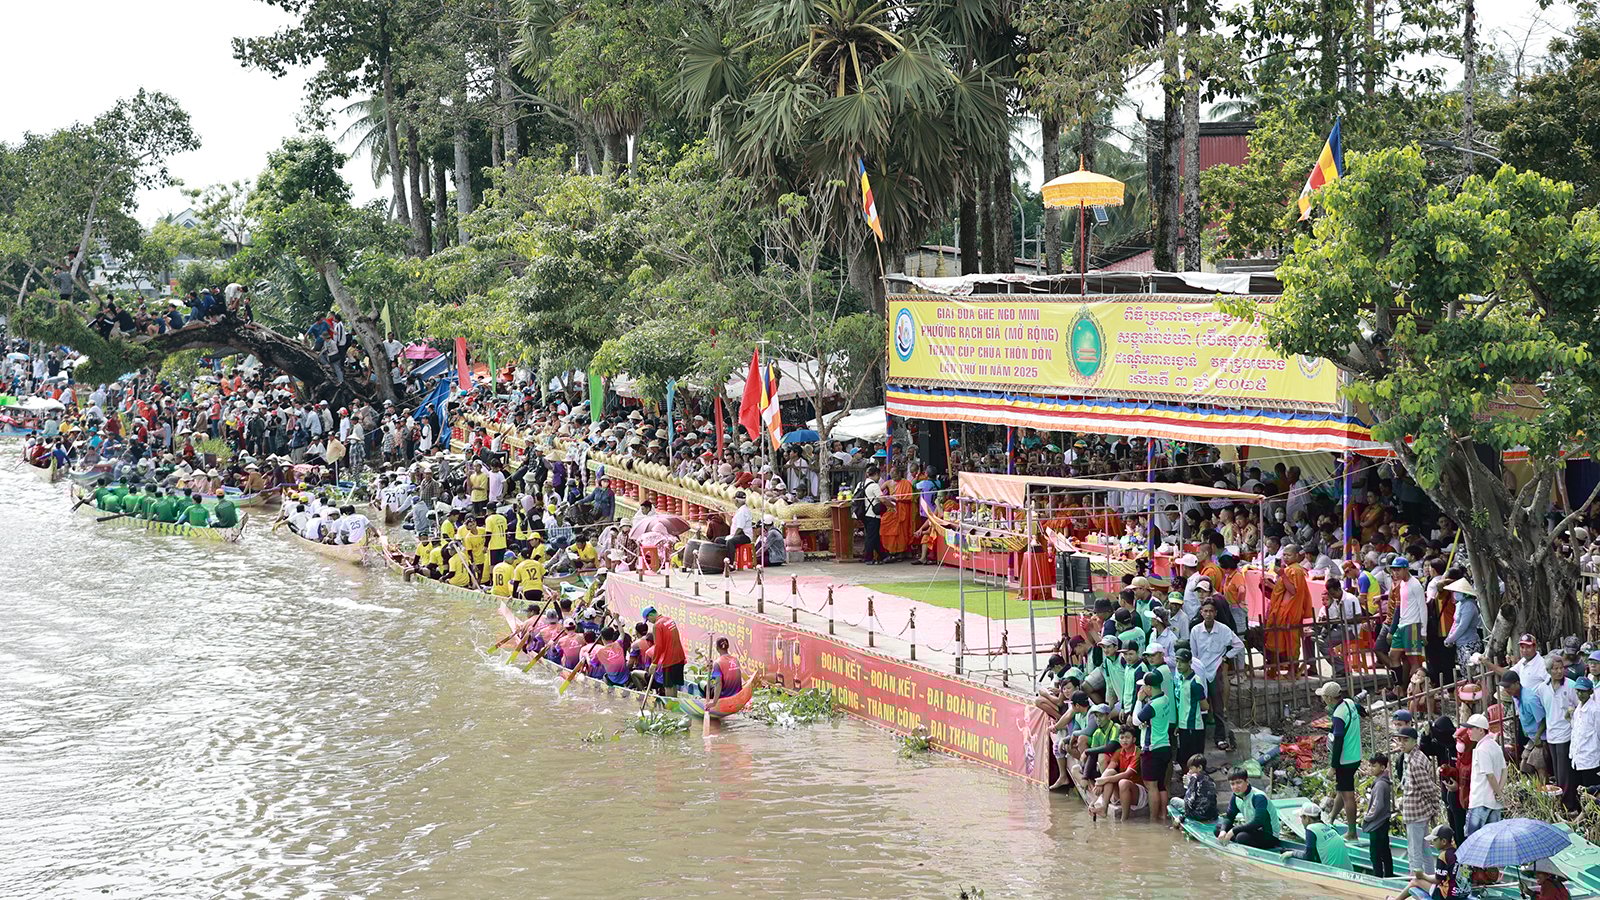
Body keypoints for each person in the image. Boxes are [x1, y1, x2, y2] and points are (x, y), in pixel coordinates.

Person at [1190, 599, 1244, 752]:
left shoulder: (1224, 630)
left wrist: (1226, 657)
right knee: (1201, 707)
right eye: (1205, 611)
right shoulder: (1195, 630)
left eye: (1211, 611)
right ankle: (1200, 739)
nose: (1208, 614)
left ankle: (1220, 738)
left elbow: (1239, 645)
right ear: (1201, 613)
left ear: (1215, 613)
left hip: (1215, 670)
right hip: (1200, 672)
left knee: (1218, 706)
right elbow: (1194, 654)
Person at [1321, 680, 1363, 840]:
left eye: (1324, 697)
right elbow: (1359, 709)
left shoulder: (1338, 715)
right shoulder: (1349, 703)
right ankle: (1331, 818)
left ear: (1330, 698)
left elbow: (1338, 741)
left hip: (1345, 759)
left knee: (1348, 795)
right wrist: (1365, 712)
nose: (1323, 700)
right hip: (1356, 755)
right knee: (1342, 788)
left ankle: (1352, 833)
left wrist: (1333, 766)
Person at [1398, 724, 1441, 883]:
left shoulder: (1415, 762)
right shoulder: (1415, 756)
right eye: (1400, 740)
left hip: (1416, 813)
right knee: (1425, 850)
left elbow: (1430, 789)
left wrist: (1434, 809)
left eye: (1405, 740)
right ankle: (1430, 879)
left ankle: (1415, 883)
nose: (1402, 743)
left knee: (1415, 851)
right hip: (1419, 811)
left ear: (1414, 741)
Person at [1537, 654, 1580, 810]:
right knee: (1557, 770)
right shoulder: (1542, 688)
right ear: (1549, 670)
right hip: (1551, 734)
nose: (1559, 671)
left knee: (1565, 773)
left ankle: (1569, 805)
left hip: (1566, 733)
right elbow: (1545, 710)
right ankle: (1562, 801)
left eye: (1561, 668)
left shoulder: (1571, 685)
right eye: (1555, 669)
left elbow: (1578, 708)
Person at [1265, 543, 1313, 677]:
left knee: (1291, 641)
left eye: (1289, 555)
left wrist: (1283, 575)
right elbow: (1283, 589)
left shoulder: (1295, 570)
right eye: (1284, 554)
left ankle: (1292, 671)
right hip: (1281, 610)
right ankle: (1275, 669)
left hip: (1289, 611)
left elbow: (1293, 591)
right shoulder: (1288, 569)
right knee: (1277, 640)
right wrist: (1270, 584)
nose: (1285, 557)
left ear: (1297, 556)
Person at [1134, 669, 1176, 816]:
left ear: (1149, 688)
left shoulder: (1151, 706)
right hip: (1165, 746)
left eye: (1143, 687)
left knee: (1151, 786)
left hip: (1152, 749)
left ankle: (1154, 819)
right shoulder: (1165, 699)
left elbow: (1135, 720)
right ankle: (1163, 815)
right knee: (1160, 785)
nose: (1142, 689)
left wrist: (1139, 700)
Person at [1216, 768, 1278, 850]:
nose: (1235, 787)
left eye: (1239, 782)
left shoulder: (1258, 797)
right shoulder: (1235, 796)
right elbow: (1229, 817)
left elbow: (1258, 822)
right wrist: (1223, 830)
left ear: (1247, 781)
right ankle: (1232, 840)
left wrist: (1233, 831)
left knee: (1241, 837)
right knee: (1218, 829)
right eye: (1232, 784)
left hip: (1269, 835)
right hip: (1252, 831)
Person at [1090, 726, 1143, 820]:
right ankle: (1104, 808)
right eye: (1122, 738)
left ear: (1134, 739)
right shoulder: (1119, 752)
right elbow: (1109, 770)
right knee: (1110, 772)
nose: (1124, 740)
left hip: (1138, 792)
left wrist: (1103, 780)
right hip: (1121, 790)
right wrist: (1099, 783)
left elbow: (1127, 774)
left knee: (1123, 782)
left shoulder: (1138, 753)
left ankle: (1124, 819)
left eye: (1127, 737)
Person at [1465, 713, 1505, 837]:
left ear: (1481, 730)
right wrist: (1499, 792)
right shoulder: (1495, 745)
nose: (1468, 732)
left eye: (1471, 728)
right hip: (1494, 803)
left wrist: (1498, 793)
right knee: (1494, 839)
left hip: (1480, 800)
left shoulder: (1482, 749)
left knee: (1474, 839)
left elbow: (1490, 775)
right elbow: (1504, 771)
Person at [1283, 800, 1349, 869]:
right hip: (1348, 871)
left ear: (1307, 818)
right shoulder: (1329, 827)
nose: (1301, 821)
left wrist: (1292, 853)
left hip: (1332, 873)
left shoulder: (1311, 828)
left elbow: (1308, 857)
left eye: (1301, 818)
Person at [1361, 752, 1395, 878]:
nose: (1371, 768)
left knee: (1375, 854)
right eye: (1370, 766)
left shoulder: (1380, 784)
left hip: (1378, 823)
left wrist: (1367, 817)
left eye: (1374, 766)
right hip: (1382, 821)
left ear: (1382, 767)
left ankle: (1378, 877)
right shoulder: (1381, 782)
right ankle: (1389, 875)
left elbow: (1377, 805)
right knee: (1385, 851)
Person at [641, 606, 686, 697]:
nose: (649, 622)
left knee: (668, 686)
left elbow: (659, 646)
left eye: (648, 619)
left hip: (670, 659)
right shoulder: (669, 619)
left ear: (650, 615)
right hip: (680, 656)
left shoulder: (657, 625)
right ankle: (674, 706)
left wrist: (654, 663)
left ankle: (670, 709)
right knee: (673, 685)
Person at [1570, 677, 1600, 810]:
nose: (1580, 694)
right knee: (1581, 792)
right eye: (1578, 691)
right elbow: (1576, 731)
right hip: (1578, 758)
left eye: (1583, 691)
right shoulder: (1578, 709)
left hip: (1591, 758)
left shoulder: (1595, 710)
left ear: (1590, 692)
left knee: (1592, 794)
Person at [1174, 753, 1217, 826]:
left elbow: (1189, 803)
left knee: (1173, 800)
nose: (1189, 771)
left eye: (1191, 768)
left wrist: (1187, 785)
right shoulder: (1210, 779)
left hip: (1198, 815)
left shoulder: (1194, 778)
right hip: (1212, 815)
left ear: (1199, 768)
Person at [708, 637, 742, 703]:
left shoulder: (717, 663)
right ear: (728, 647)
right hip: (737, 695)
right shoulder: (736, 660)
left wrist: (714, 703)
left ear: (717, 648)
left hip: (724, 696)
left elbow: (718, 684)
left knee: (703, 685)